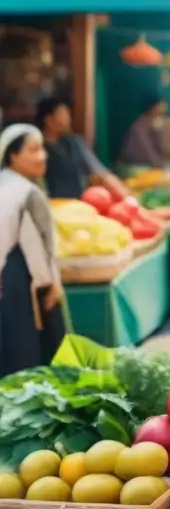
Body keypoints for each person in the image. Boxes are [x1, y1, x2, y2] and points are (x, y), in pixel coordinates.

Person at [0, 124, 66, 376]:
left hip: (8, 275)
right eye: (33, 150)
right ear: (13, 156)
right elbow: (35, 246)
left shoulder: (5, 183)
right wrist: (50, 283)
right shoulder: (28, 193)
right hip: (23, 277)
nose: (42, 156)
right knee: (29, 350)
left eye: (42, 149)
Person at [37, 97, 129, 200]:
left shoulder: (73, 142)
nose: (68, 118)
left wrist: (126, 197)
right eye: (62, 114)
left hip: (76, 204)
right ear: (48, 120)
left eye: (68, 113)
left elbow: (101, 173)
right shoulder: (38, 148)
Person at [119, 93, 168, 168]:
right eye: (160, 106)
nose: (164, 108)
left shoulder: (153, 124)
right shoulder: (140, 126)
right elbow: (148, 150)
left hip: (147, 165)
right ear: (152, 108)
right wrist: (160, 165)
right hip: (131, 167)